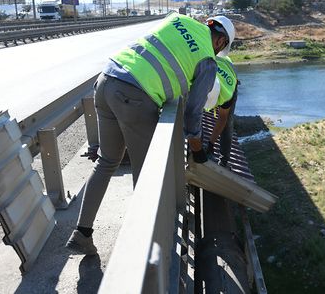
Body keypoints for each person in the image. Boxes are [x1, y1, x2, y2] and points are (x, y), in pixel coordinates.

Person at [66, 13, 235, 255]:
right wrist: (198, 151)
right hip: (135, 96)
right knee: (147, 174)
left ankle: (82, 233)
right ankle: (144, 247)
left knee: (106, 161)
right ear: (220, 42)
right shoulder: (208, 60)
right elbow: (193, 114)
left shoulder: (179, 20)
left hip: (107, 81)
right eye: (220, 50)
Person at [203, 56, 238, 167]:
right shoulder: (197, 78)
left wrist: (211, 144)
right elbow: (193, 115)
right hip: (210, 68)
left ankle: (224, 161)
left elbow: (223, 118)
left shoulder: (227, 93)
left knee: (228, 124)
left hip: (229, 74)